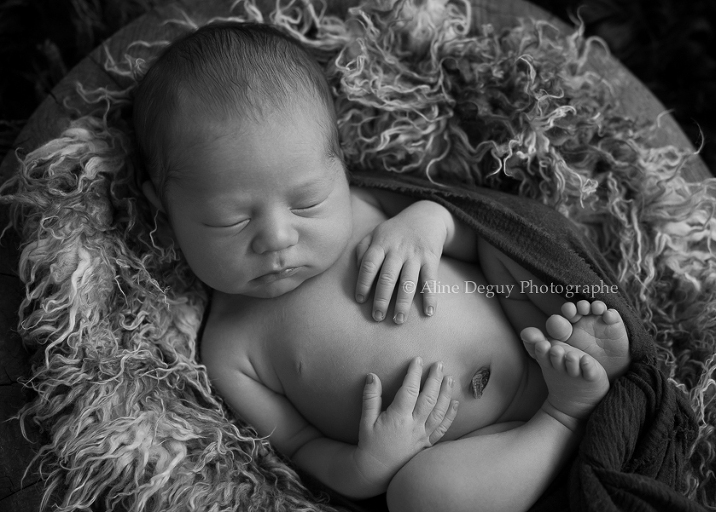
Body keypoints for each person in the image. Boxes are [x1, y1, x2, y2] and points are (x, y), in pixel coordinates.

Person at [133, 21, 631, 512]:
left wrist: (430, 223)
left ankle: (578, 345)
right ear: (165, 206)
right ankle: (566, 416)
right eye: (231, 221)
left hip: (527, 331)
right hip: (475, 454)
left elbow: (481, 223)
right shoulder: (229, 349)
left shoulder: (367, 207)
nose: (278, 238)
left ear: (340, 166)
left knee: (508, 248)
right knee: (419, 498)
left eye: (306, 202)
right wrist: (368, 465)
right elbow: (301, 447)